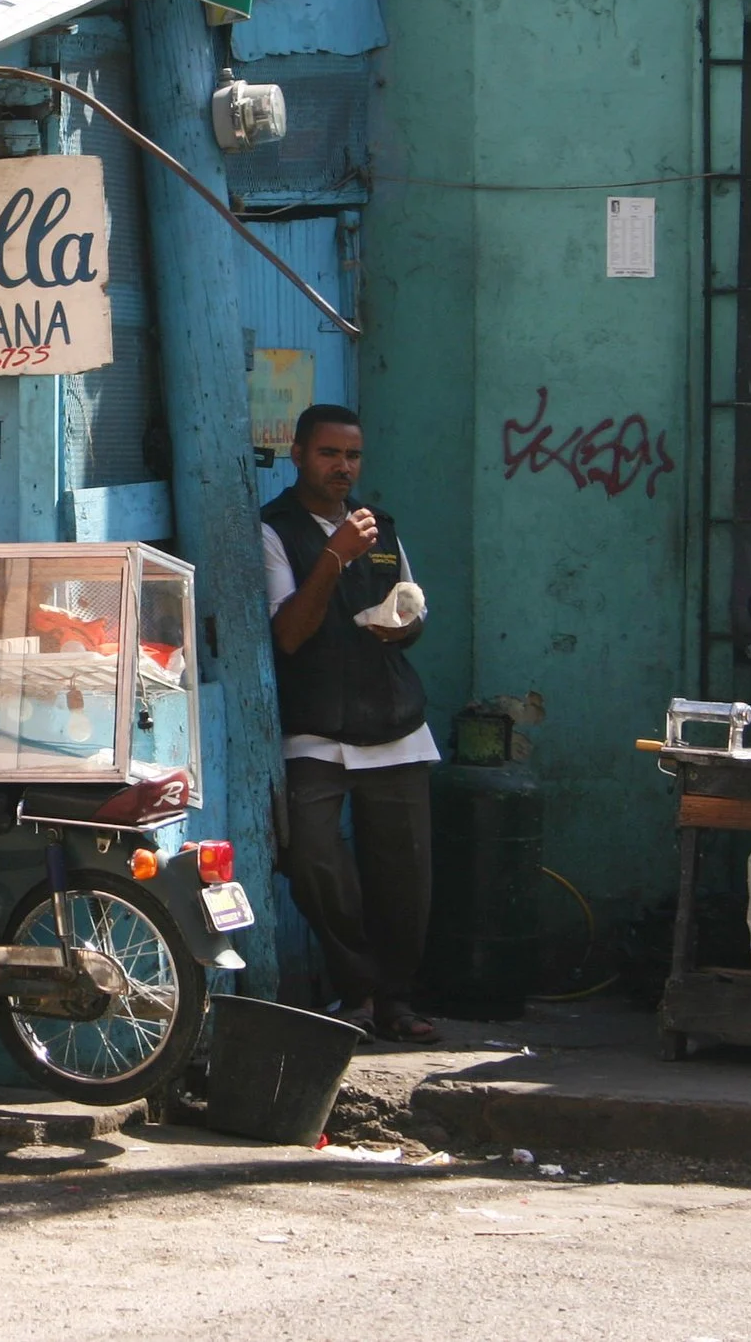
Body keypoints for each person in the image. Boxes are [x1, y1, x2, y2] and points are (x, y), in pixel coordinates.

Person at [260, 402, 441, 1044]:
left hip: (393, 722)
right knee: (311, 860)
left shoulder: (379, 526)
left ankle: (394, 1001)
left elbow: (412, 609)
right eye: (329, 454)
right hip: (315, 727)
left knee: (406, 876)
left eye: (352, 456)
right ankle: (358, 987)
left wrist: (407, 625)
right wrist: (333, 558)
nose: (343, 467)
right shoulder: (274, 530)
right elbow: (288, 633)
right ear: (300, 456)